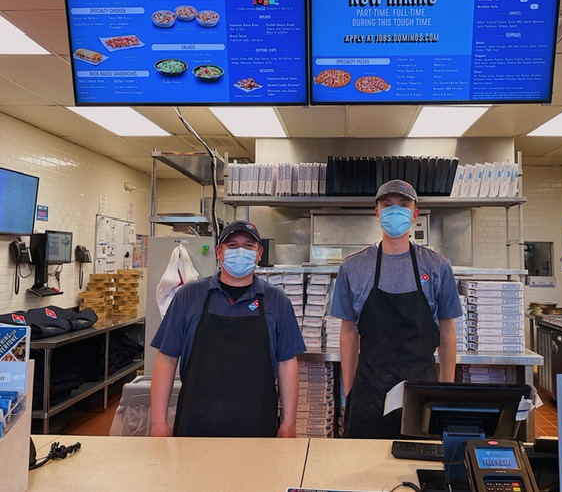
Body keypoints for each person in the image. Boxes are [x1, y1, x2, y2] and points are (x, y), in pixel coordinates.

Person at [330, 179, 462, 439]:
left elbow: (447, 331)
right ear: (377, 213)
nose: (395, 211)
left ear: (414, 214)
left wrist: (446, 391)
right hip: (369, 394)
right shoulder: (353, 267)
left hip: (422, 394)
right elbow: (348, 332)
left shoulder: (437, 266)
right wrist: (350, 392)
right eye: (387, 205)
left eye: (403, 205)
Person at [150, 220, 306, 438]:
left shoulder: (276, 301)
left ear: (259, 253)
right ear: (219, 253)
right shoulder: (189, 296)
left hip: (258, 424)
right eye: (232, 246)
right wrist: (159, 423)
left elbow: (287, 363)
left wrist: (289, 423)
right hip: (196, 424)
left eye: (248, 246)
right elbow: (166, 358)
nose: (240, 251)